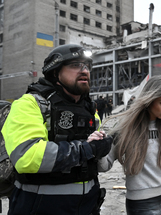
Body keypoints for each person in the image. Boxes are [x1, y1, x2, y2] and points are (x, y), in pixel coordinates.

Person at [2, 44, 113, 215]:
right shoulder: (29, 104)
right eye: (75, 65)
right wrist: (87, 149)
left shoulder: (89, 109)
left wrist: (103, 148)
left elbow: (98, 163)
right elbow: (26, 157)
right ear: (55, 72)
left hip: (88, 206)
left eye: (86, 66)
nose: (84, 71)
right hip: (40, 207)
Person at [96, 75, 161, 215]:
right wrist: (99, 146)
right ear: (149, 100)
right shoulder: (126, 127)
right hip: (140, 203)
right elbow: (104, 166)